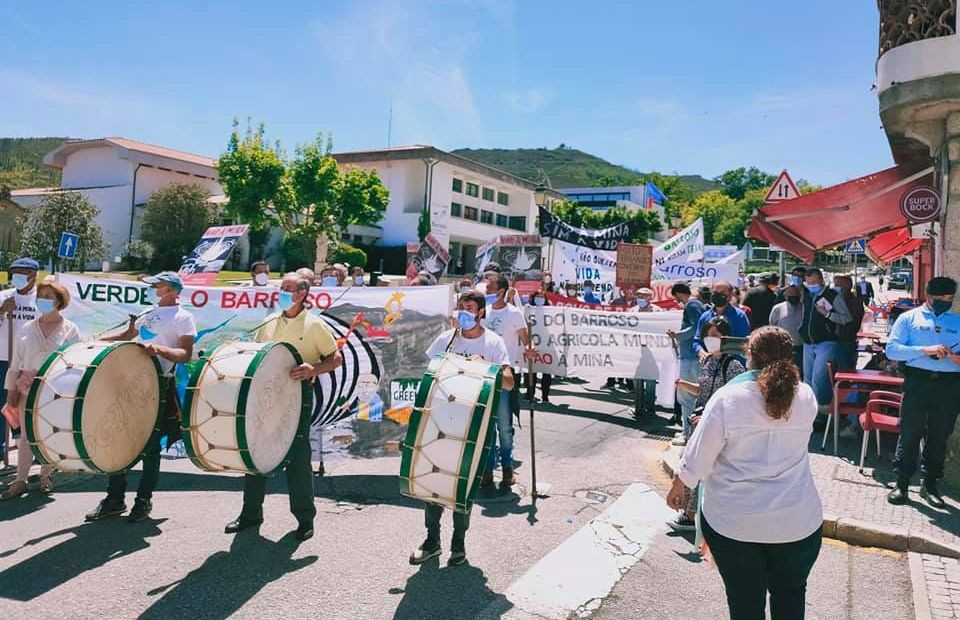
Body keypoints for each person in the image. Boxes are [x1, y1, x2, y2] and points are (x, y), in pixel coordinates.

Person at [667, 326, 822, 619]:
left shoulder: (729, 398)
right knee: (791, 598)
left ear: (749, 355)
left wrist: (679, 484)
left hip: (735, 524)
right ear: (790, 357)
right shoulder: (806, 396)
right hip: (797, 522)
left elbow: (699, 454)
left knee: (745, 603)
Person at [225, 272, 343, 540]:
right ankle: (250, 514)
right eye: (281, 287)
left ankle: (304, 519)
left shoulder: (314, 325)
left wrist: (313, 367)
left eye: (287, 288)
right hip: (264, 396)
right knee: (256, 448)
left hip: (298, 398)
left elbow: (335, 359)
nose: (281, 291)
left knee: (298, 457)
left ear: (302, 294)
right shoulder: (269, 321)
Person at [411, 290, 515, 567]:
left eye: (469, 308)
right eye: (460, 308)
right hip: (441, 422)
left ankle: (458, 545)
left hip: (474, 427)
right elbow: (428, 372)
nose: (463, 313)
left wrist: (488, 369)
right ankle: (432, 541)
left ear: (482, 312)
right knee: (434, 481)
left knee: (462, 487)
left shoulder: (493, 342)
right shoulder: (447, 339)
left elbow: (508, 383)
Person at [85, 272, 196, 523]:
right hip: (129, 385)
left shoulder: (184, 317)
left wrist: (159, 349)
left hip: (159, 385)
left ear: (172, 290)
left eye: (158, 286)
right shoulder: (148, 313)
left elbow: (186, 354)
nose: (154, 289)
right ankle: (114, 499)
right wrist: (95, 341)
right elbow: (127, 337)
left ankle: (143, 500)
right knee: (118, 439)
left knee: (151, 446)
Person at [885, 277, 960, 508]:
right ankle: (902, 483)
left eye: (950, 299)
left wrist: (952, 357)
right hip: (918, 382)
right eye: (941, 299)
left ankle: (930, 486)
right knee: (910, 432)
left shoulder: (957, 321)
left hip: (948, 384)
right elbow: (892, 350)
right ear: (929, 296)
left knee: (939, 436)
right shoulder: (909, 318)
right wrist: (924, 350)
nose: (945, 303)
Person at [1, 281, 80, 500]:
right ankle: (20, 480)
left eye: (49, 296)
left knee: (50, 434)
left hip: (55, 389)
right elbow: (16, 363)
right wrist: (11, 391)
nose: (43, 300)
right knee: (26, 436)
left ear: (59, 301)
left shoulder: (70, 329)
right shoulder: (27, 328)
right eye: (41, 296)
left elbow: (72, 360)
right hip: (26, 387)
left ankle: (46, 476)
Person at [670, 316, 746, 528]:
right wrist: (684, 385)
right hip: (698, 423)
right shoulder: (709, 361)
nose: (710, 340)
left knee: (701, 468)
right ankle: (690, 513)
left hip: (714, 426)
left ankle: (693, 516)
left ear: (726, 337)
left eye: (715, 336)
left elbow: (735, 402)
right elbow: (704, 391)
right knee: (691, 465)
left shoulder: (733, 365)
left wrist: (709, 417)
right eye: (707, 335)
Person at [480, 276, 528, 489]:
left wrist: (530, 349)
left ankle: (507, 467)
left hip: (504, 376)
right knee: (487, 426)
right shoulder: (484, 312)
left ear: (500, 291)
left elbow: (526, 339)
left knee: (504, 426)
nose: (486, 290)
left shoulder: (514, 314)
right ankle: (488, 469)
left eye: (489, 287)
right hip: (483, 375)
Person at [798, 268, 853, 426]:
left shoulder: (833, 296)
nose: (812, 286)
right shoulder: (807, 295)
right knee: (807, 379)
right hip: (808, 342)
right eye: (809, 283)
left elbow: (846, 318)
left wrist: (828, 314)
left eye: (814, 283)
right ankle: (809, 413)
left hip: (826, 341)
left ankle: (820, 414)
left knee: (819, 378)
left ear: (822, 280)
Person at [0, 257, 39, 461]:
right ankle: (1, 446)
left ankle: (25, 442)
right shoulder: (4, 296)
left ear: (33, 275)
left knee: (28, 403)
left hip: (28, 363)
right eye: (13, 273)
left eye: (21, 273)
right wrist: (2, 311)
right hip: (3, 359)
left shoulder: (41, 300)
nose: (17, 277)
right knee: (3, 402)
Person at [668, 283, 707, 445]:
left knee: (686, 396)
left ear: (678, 293)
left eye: (675, 296)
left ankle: (688, 433)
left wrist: (677, 335)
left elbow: (695, 328)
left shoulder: (692, 305)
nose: (676, 300)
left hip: (690, 357)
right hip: (691, 356)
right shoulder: (696, 304)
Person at [692, 281, 750, 363]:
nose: (718, 295)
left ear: (730, 296)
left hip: (733, 366)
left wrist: (722, 351)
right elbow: (697, 341)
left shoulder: (739, 316)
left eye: (722, 292)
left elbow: (743, 343)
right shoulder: (705, 316)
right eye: (715, 292)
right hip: (709, 366)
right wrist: (701, 352)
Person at [523, 290, 553, 404]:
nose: (540, 299)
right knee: (531, 371)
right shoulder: (528, 309)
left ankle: (545, 396)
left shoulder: (551, 311)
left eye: (542, 297)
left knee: (547, 372)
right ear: (533, 298)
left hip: (547, 344)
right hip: (532, 344)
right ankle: (530, 393)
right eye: (538, 296)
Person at [768, 285, 804, 374]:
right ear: (786, 296)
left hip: (800, 347)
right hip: (782, 348)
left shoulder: (804, 307)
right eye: (791, 295)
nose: (793, 297)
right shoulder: (778, 308)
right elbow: (772, 325)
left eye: (795, 295)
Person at [832, 274, 864, 372]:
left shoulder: (855, 302)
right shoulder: (833, 299)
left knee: (844, 371)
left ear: (847, 287)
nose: (835, 288)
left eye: (838, 285)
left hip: (846, 341)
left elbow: (849, 320)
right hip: (833, 340)